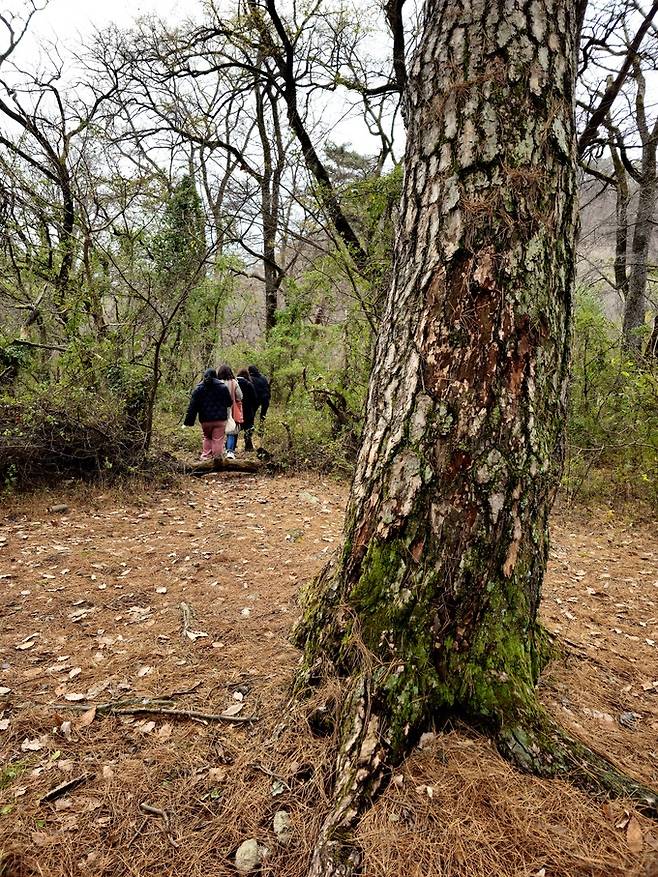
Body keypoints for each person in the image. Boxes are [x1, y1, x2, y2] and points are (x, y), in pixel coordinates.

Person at [183, 368, 232, 460]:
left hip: (205, 419)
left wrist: (188, 421)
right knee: (218, 439)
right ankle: (217, 458)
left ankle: (206, 457)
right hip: (220, 419)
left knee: (207, 437)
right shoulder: (223, 387)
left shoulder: (198, 389)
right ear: (215, 376)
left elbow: (193, 406)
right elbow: (229, 402)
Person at [216, 364, 243, 459]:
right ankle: (230, 452)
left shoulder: (216, 383)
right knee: (231, 431)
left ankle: (217, 453)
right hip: (231, 410)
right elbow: (240, 396)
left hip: (217, 410)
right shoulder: (234, 383)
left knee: (218, 432)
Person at [237, 368, 257, 451]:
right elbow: (254, 399)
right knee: (248, 428)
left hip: (237, 410)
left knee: (235, 428)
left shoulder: (234, 383)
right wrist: (253, 410)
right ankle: (248, 446)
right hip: (248, 410)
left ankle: (231, 446)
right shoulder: (249, 384)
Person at [248, 365, 271, 431]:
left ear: (249, 371)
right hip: (266, 398)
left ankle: (251, 429)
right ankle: (261, 429)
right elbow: (268, 388)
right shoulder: (263, 378)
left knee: (252, 414)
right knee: (263, 416)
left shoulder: (251, 379)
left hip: (257, 399)